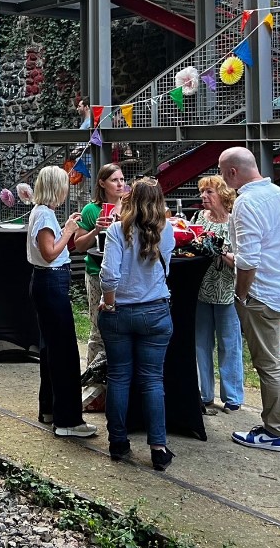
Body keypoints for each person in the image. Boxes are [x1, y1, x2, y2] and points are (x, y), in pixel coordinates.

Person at [218, 146, 280, 452]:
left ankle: (274, 431)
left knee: (267, 363)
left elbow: (247, 260)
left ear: (232, 172)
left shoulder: (246, 203)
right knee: (277, 358)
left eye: (221, 171)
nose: (221, 177)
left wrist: (240, 295)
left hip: (260, 293)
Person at [99, 177, 176, 471]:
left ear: (130, 199)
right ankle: (158, 448)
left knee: (119, 377)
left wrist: (109, 301)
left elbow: (109, 276)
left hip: (120, 311)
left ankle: (118, 443)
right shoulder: (166, 231)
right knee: (153, 380)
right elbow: (163, 266)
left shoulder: (117, 231)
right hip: (155, 310)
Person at [26, 167, 94, 438]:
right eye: (65, 185)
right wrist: (67, 231)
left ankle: (50, 408)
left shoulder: (45, 213)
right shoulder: (43, 214)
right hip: (51, 282)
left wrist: (69, 232)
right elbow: (50, 253)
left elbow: (59, 250)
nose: (68, 190)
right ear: (56, 187)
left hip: (49, 282)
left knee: (51, 349)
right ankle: (68, 420)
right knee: (64, 352)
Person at [71, 162, 128, 412]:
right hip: (97, 272)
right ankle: (92, 386)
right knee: (98, 327)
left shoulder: (131, 207)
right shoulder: (91, 210)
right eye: (114, 180)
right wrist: (97, 228)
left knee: (121, 329)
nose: (120, 184)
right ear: (102, 183)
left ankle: (115, 386)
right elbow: (79, 246)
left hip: (125, 275)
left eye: (122, 179)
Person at [194, 174, 245, 414]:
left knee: (229, 343)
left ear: (223, 195)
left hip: (227, 290)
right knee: (201, 344)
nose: (203, 196)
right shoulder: (197, 218)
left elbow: (244, 261)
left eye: (209, 192)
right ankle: (205, 394)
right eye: (202, 192)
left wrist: (220, 252)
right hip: (201, 289)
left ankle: (232, 396)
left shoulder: (236, 221)